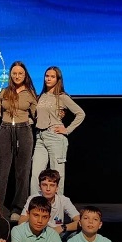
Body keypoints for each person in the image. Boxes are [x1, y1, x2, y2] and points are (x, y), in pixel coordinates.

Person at [0, 61, 37, 222]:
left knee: (23, 171)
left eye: (20, 73)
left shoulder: (30, 93)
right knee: (1, 172)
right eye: (14, 73)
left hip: (24, 131)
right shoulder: (4, 91)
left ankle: (18, 208)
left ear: (25, 75)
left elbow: (37, 114)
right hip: (5, 129)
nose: (17, 76)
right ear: (10, 75)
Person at [30, 66, 85, 195]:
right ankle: (35, 205)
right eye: (47, 76)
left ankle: (57, 206)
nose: (48, 79)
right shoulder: (41, 96)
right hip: (40, 136)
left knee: (57, 175)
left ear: (58, 79)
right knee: (36, 174)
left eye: (52, 76)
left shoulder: (62, 97)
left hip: (55, 137)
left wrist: (67, 129)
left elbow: (80, 113)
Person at [18, 169, 80, 242]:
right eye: (44, 185)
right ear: (39, 186)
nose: (48, 189)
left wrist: (61, 228)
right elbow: (21, 222)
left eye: (52, 185)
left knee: (76, 235)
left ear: (57, 188)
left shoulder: (64, 200)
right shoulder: (33, 198)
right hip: (38, 233)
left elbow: (80, 221)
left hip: (57, 233)